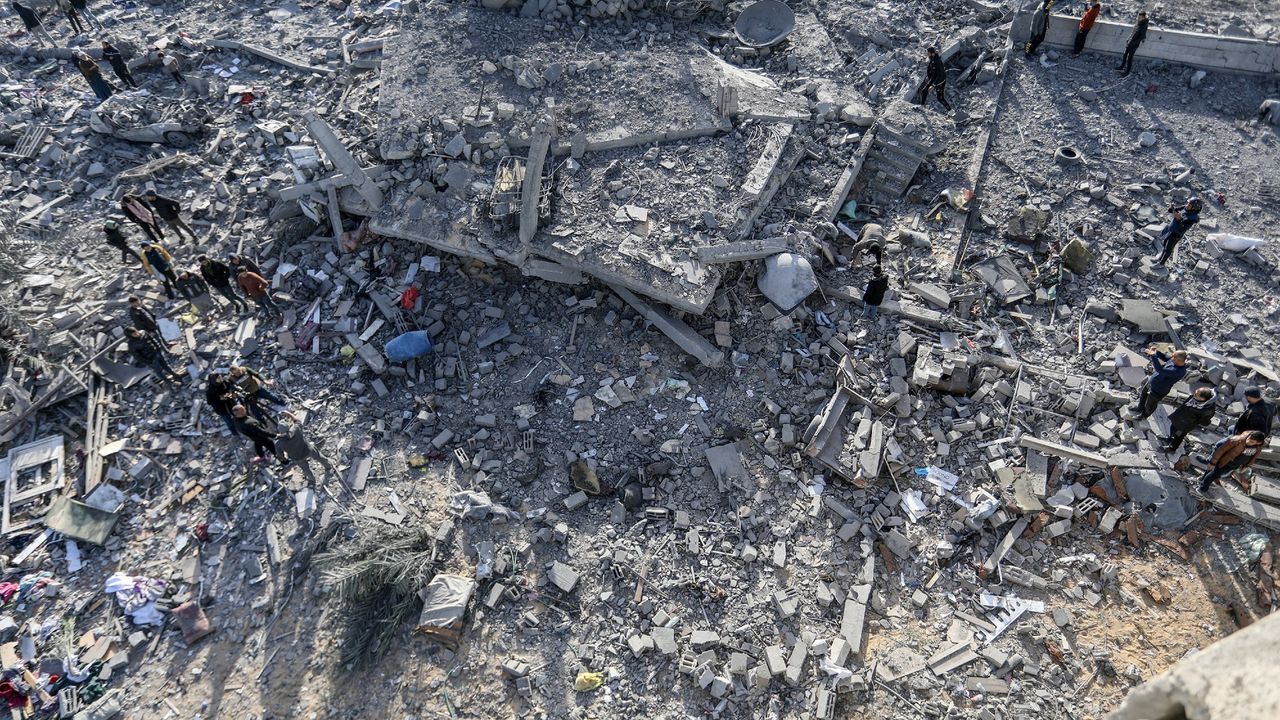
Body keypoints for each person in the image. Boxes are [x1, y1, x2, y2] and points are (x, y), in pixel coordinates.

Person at [275, 410, 338, 481]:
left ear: (280, 431)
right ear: (289, 426)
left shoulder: (278, 443)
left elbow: (280, 456)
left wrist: (285, 460)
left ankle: (312, 479)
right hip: (308, 449)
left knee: (305, 468)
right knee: (319, 457)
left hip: (297, 458)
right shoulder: (296, 429)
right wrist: (288, 413)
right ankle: (328, 466)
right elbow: (297, 420)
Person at [1127, 348, 1188, 420]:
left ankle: (1144, 415)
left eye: (1173, 357)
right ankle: (1139, 408)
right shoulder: (1174, 360)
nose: (1171, 358)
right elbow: (1165, 357)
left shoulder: (1178, 371)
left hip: (1158, 390)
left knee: (1150, 405)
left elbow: (1160, 370)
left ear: (1178, 360)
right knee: (1143, 395)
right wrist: (1156, 352)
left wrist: (1153, 356)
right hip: (1151, 382)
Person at [1197, 431, 1266, 494]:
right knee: (1214, 474)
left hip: (1235, 465)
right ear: (1249, 436)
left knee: (1214, 473)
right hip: (1225, 462)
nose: (1248, 442)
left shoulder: (1258, 446)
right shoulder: (1236, 440)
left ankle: (1202, 480)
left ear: (1258, 442)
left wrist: (1247, 465)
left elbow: (1254, 457)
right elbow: (1220, 450)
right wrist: (1212, 463)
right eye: (1249, 439)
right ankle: (1202, 488)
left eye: (1252, 442)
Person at [1164, 387, 1216, 453]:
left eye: (1196, 395)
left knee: (1178, 436)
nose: (1194, 395)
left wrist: (1193, 418)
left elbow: (1205, 422)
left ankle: (1172, 448)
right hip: (1178, 418)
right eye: (1195, 393)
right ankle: (1170, 439)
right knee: (1172, 428)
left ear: (1203, 399)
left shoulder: (1207, 410)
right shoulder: (1194, 398)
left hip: (1184, 425)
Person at [1154, 197, 1202, 265]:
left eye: (1189, 204)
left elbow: (1182, 228)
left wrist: (1179, 219)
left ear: (1193, 208)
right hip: (1170, 229)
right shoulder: (1185, 208)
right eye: (1188, 203)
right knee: (1164, 245)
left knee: (1168, 249)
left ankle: (1161, 263)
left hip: (1175, 235)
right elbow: (1171, 211)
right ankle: (1160, 258)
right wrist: (1172, 208)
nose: (1187, 205)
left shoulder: (1192, 218)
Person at [919, 46, 952, 111]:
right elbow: (931, 70)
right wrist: (928, 77)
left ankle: (951, 111)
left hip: (940, 81)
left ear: (932, 53)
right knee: (924, 91)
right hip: (933, 79)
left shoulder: (937, 61)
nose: (927, 55)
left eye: (928, 53)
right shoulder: (933, 59)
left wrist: (933, 85)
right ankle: (922, 107)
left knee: (940, 98)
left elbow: (940, 75)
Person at [1118, 11, 1148, 76]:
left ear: (1143, 17)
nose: (1138, 18)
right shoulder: (1138, 23)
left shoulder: (1144, 26)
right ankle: (1121, 67)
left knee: (1130, 57)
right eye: (1138, 16)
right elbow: (1133, 31)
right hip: (1130, 42)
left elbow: (1142, 37)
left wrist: (1134, 42)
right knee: (1125, 54)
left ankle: (1127, 72)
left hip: (1134, 44)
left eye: (1139, 17)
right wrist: (1129, 38)